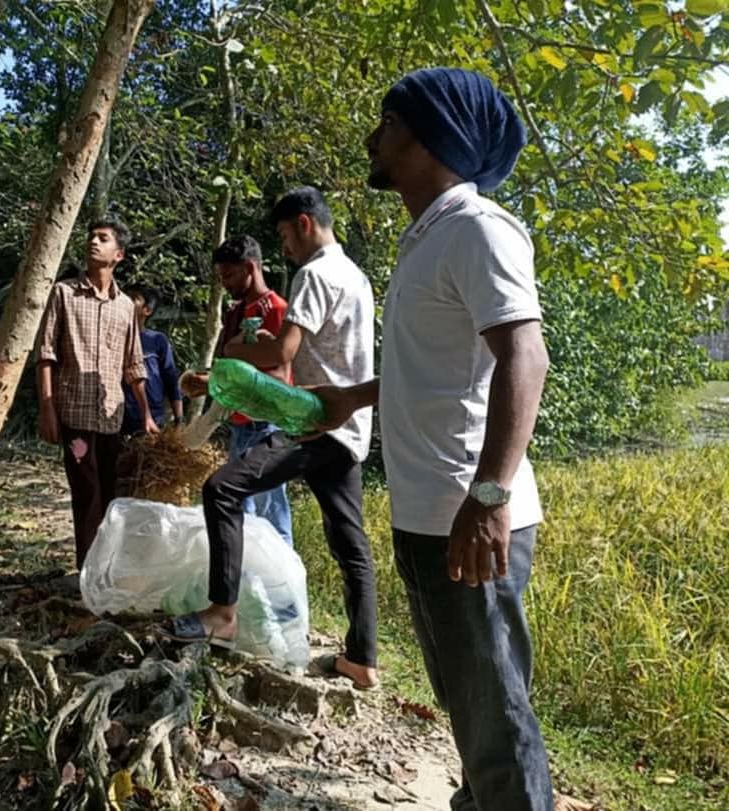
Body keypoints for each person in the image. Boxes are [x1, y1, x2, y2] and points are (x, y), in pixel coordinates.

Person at [311, 68, 555, 810]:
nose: (375, 135)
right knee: (464, 696)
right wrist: (352, 396)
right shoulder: (430, 238)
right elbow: (440, 370)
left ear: (428, 134)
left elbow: (526, 355)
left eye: (389, 119)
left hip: (470, 516)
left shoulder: (478, 228)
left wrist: (488, 497)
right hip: (429, 513)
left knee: (496, 715)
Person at [170, 187, 379, 690]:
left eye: (285, 235)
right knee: (349, 542)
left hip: (314, 422)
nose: (283, 247)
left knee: (221, 489)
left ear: (305, 224)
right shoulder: (355, 276)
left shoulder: (313, 274)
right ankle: (362, 659)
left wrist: (224, 364)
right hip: (352, 430)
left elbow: (282, 353)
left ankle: (223, 612)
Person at [36, 218, 159, 568]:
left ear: (118, 254)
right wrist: (47, 409)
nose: (93, 242)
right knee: (86, 493)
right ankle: (87, 571)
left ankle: (108, 567)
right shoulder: (64, 294)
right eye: (91, 237)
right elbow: (46, 354)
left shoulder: (125, 307)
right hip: (74, 415)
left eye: (103, 239)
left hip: (111, 417)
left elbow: (134, 365)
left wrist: (147, 414)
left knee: (110, 493)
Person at [181, 235, 294, 545]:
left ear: (250, 268)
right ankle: (248, 584)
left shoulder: (276, 309)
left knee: (271, 514)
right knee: (242, 513)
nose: (226, 283)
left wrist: (217, 383)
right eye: (221, 277)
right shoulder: (235, 314)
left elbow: (280, 375)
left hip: (267, 426)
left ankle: (284, 589)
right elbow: (229, 367)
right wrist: (209, 381)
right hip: (240, 425)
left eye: (229, 275)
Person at [121, 285, 183, 434]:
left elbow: (171, 381)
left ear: (147, 310)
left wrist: (179, 419)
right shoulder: (113, 338)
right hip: (119, 418)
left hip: (153, 418)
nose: (126, 301)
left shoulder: (157, 340)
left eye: (133, 298)